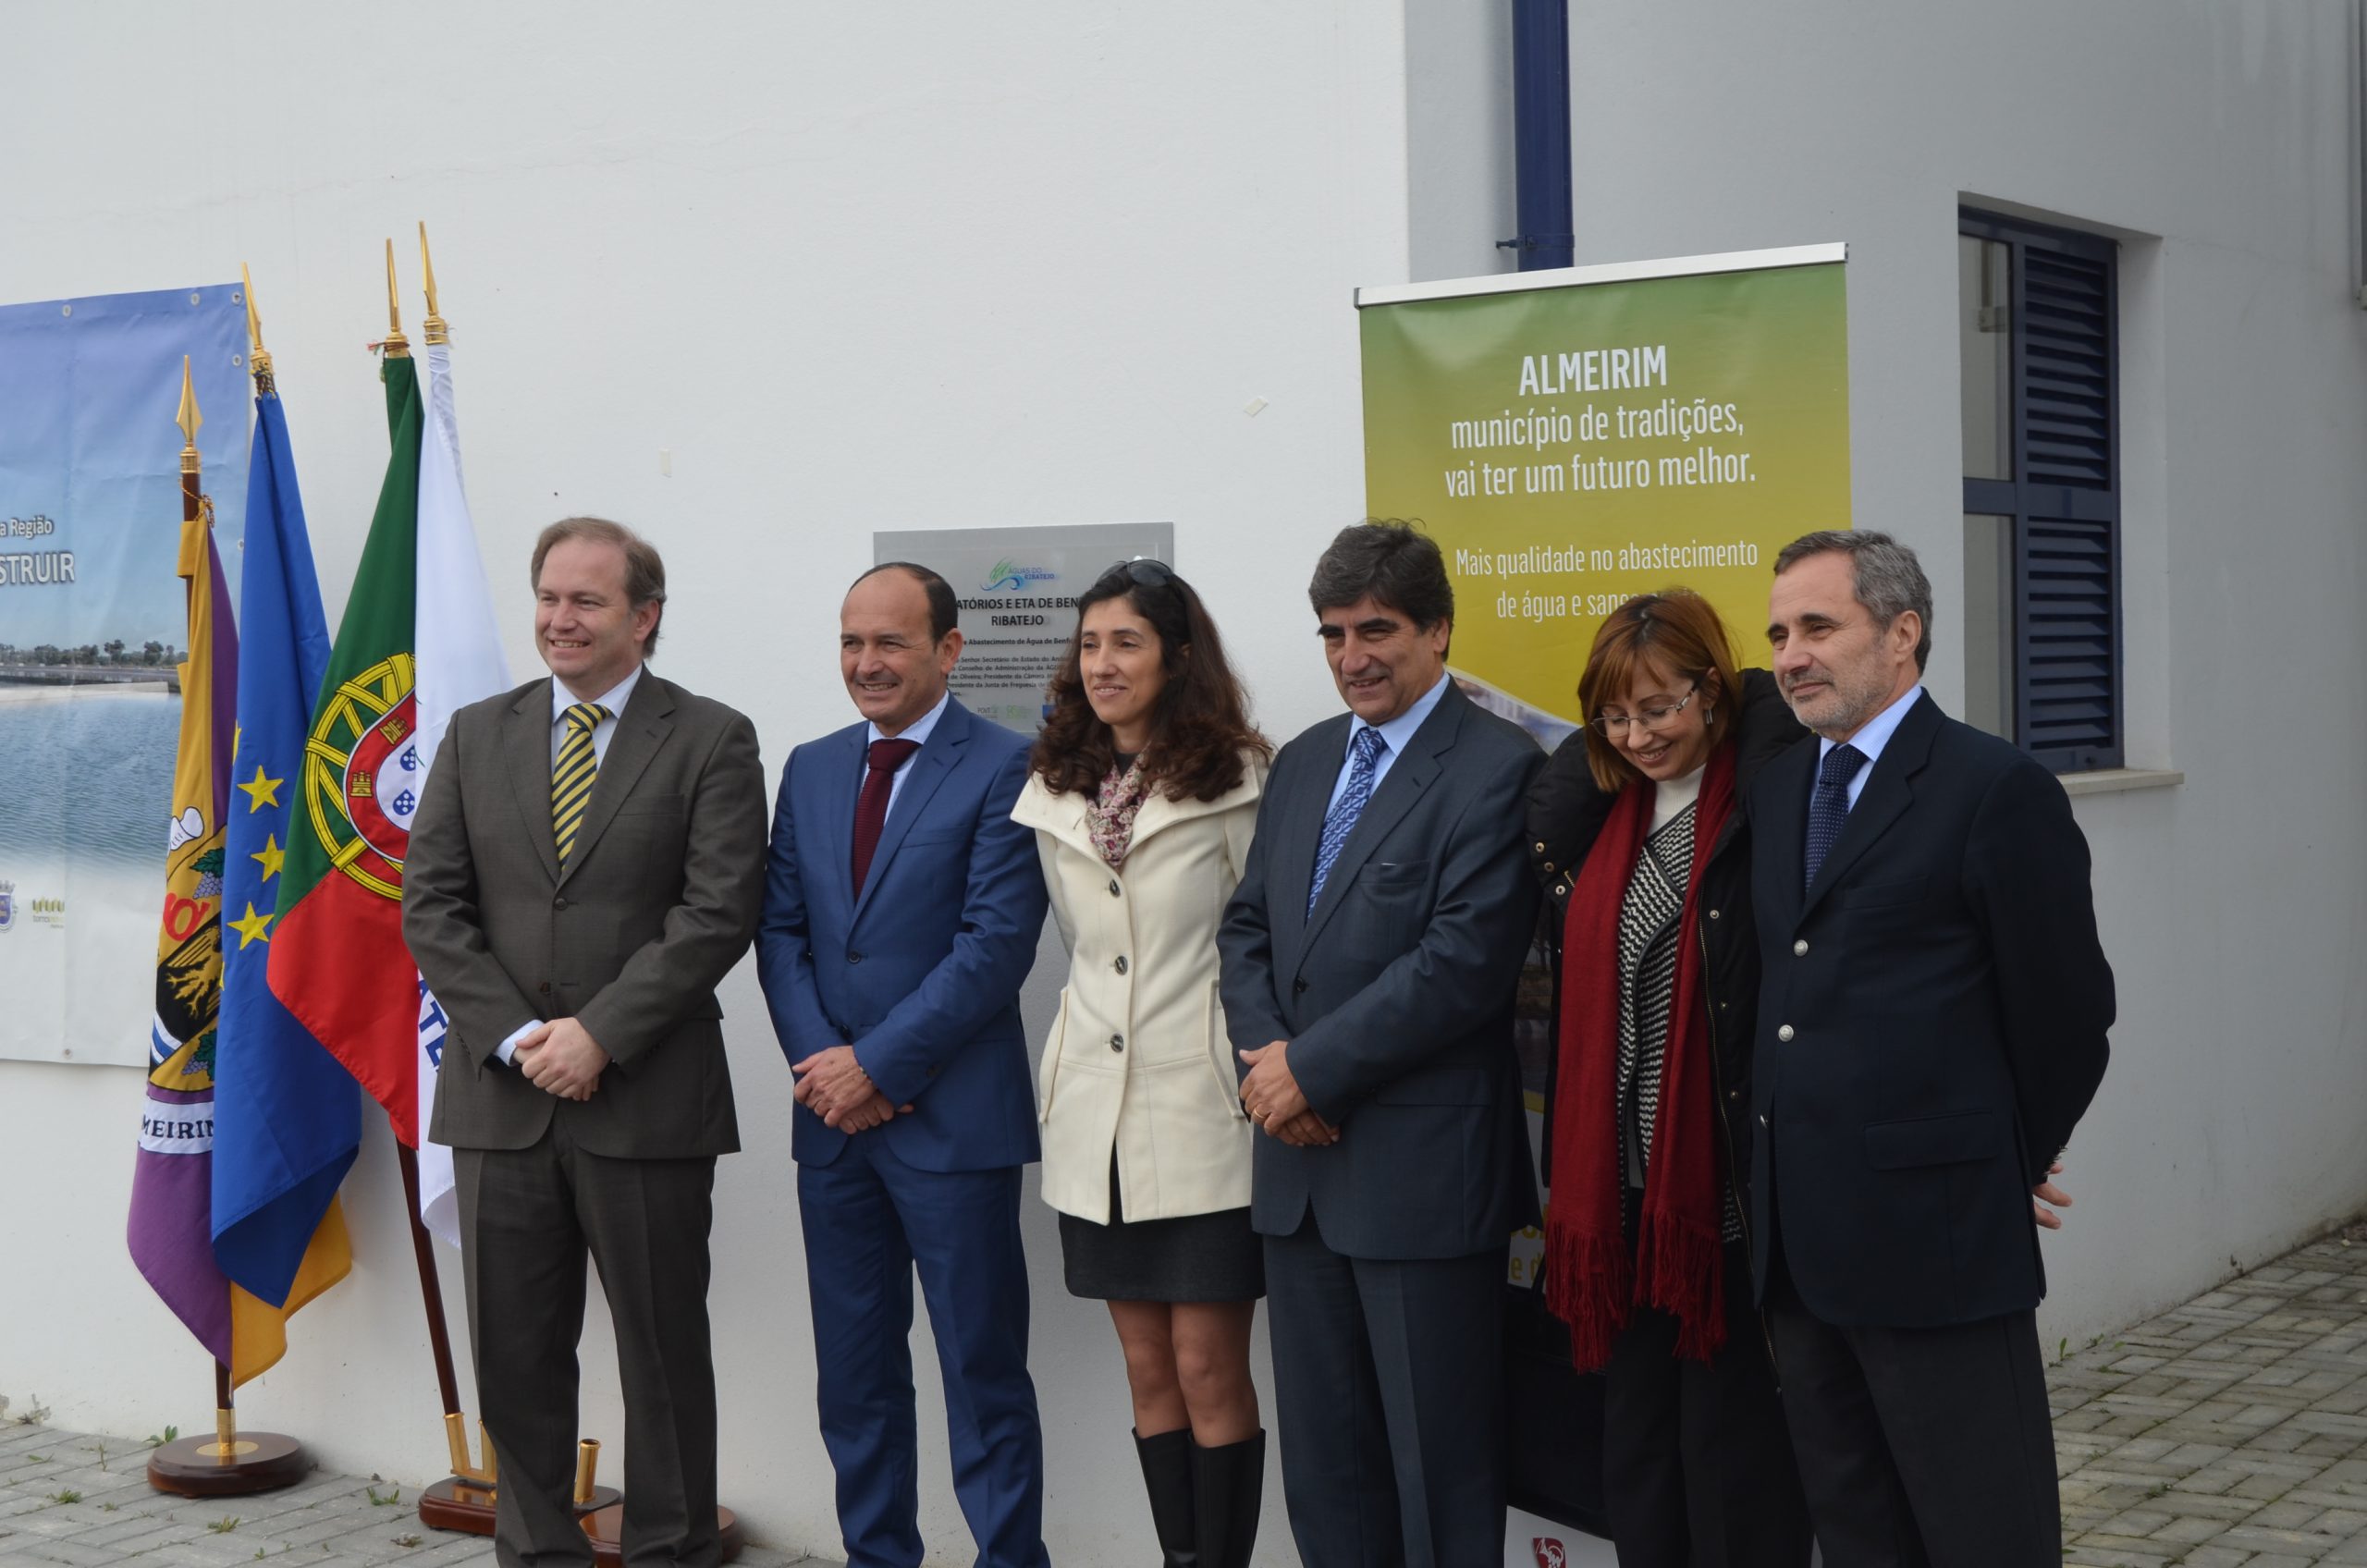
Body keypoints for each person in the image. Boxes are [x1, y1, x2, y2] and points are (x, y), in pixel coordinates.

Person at [404, 516, 767, 1568]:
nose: (560, 619)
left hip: (647, 1101)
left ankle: (670, 1551)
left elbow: (718, 911)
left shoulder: (711, 737)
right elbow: (430, 906)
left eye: (587, 601)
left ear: (643, 618)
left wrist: (599, 1035)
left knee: (662, 1358)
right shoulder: (477, 733)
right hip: (502, 1102)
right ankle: (537, 1554)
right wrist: (523, 1035)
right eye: (549, 597)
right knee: (514, 1360)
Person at [1748, 530, 2113, 1566]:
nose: (1790, 655)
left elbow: (2067, 1013)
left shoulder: (1994, 786)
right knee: (1858, 1533)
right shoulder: (1778, 788)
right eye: (1778, 634)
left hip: (1937, 1241)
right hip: (1799, 1250)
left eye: (1817, 627)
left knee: (1980, 1531)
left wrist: (2000, 1157)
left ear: (1901, 632)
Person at [1216, 520, 1544, 1568]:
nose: (1351, 656)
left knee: (1438, 1470)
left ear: (1438, 630)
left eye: (1377, 630)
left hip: (1421, 1178)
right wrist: (1272, 1071)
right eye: (1332, 633)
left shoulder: (1498, 766)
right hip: (1298, 1174)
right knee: (1328, 1471)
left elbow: (1461, 964)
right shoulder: (1306, 759)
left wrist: (1306, 1072)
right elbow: (1248, 930)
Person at [754, 561, 1051, 1568]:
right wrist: (825, 1068)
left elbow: (994, 946)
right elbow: (781, 933)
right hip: (832, 1130)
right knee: (855, 1380)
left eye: (890, 642)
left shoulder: (1008, 764)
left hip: (953, 1128)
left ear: (948, 649)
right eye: (851, 642)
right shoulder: (812, 766)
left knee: (982, 1376)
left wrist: (874, 1067)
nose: (866, 663)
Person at [1524, 590, 1813, 1567]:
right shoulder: (1599, 820)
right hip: (1618, 1199)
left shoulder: (1761, 806)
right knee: (1638, 1450)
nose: (1638, 736)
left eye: (1660, 707)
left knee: (1731, 1455)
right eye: (1615, 715)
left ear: (1712, 690)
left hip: (1717, 1195)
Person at [1012, 559, 1272, 1568]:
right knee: (1146, 1366)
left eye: (1127, 642)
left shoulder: (1239, 778)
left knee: (1208, 1366)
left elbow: (1262, 942)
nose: (1103, 663)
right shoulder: (1057, 780)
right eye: (1089, 644)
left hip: (1202, 1110)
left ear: (1178, 655)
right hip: (1097, 1120)